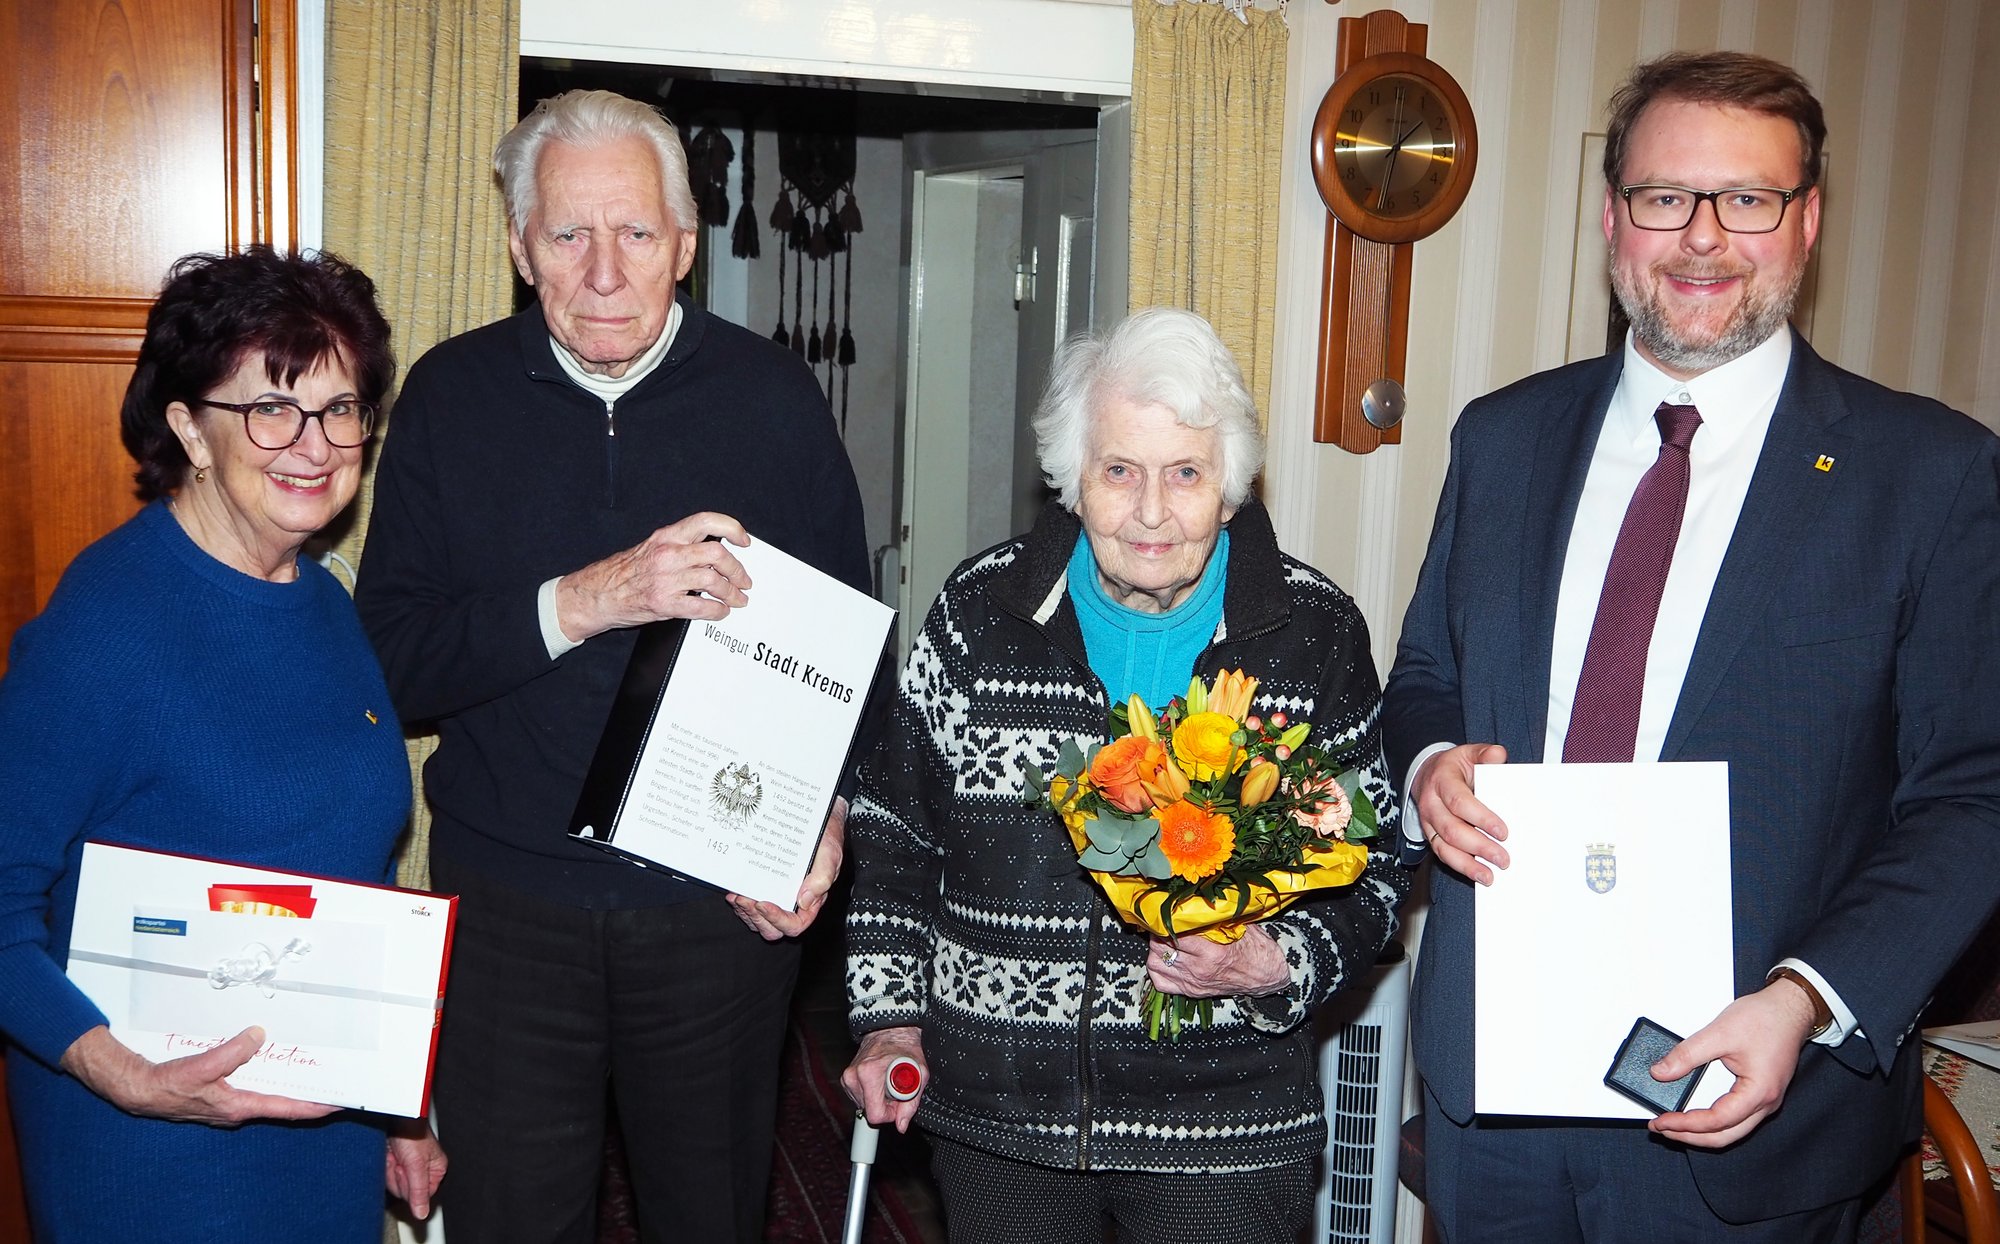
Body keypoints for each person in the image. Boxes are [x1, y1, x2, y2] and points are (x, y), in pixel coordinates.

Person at [1384, 50, 2000, 1242]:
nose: (1702, 239)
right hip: (1490, 1107)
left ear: (1805, 220)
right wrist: (1425, 770)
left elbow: (1972, 791)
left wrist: (1805, 1000)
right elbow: (1424, 678)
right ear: (1614, 218)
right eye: (1665, 197)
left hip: (1758, 1113)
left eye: (1747, 200)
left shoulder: (1926, 474)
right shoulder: (1500, 439)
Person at [353, 89, 869, 1243]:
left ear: (684, 245)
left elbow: (853, 669)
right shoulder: (448, 395)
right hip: (507, 913)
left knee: (709, 1216)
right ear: (517, 245)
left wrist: (823, 825)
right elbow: (390, 663)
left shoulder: (773, 401)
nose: (602, 271)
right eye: (566, 235)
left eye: (636, 233)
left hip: (713, 918)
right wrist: (591, 598)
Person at [842, 308, 1411, 1244]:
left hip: (1223, 1126)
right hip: (1002, 1119)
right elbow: (897, 837)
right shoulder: (979, 615)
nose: (1152, 511)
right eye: (1120, 471)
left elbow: (1378, 861)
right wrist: (889, 1021)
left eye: (1185, 473)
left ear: (1229, 485)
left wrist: (1280, 961)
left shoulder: (1312, 635)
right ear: (1073, 482)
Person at [0, 246, 445, 1240]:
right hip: (154, 1155)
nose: (314, 444)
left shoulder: (326, 603)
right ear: (191, 428)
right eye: (271, 408)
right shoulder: (102, 627)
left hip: (319, 1141)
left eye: (340, 409)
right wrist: (126, 1073)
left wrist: (399, 1106)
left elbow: (348, 870)